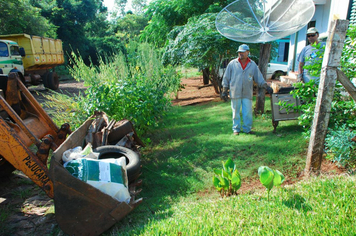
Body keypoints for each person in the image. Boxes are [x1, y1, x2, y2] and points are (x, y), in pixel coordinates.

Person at [221, 44, 273, 135]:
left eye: (243, 52)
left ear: (248, 52)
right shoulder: (232, 64)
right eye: (239, 52)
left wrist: (266, 86)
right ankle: (236, 129)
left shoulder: (252, 65)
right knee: (235, 112)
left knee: (247, 113)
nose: (240, 54)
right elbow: (226, 77)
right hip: (235, 92)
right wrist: (224, 90)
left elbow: (258, 77)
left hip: (247, 93)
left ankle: (247, 129)